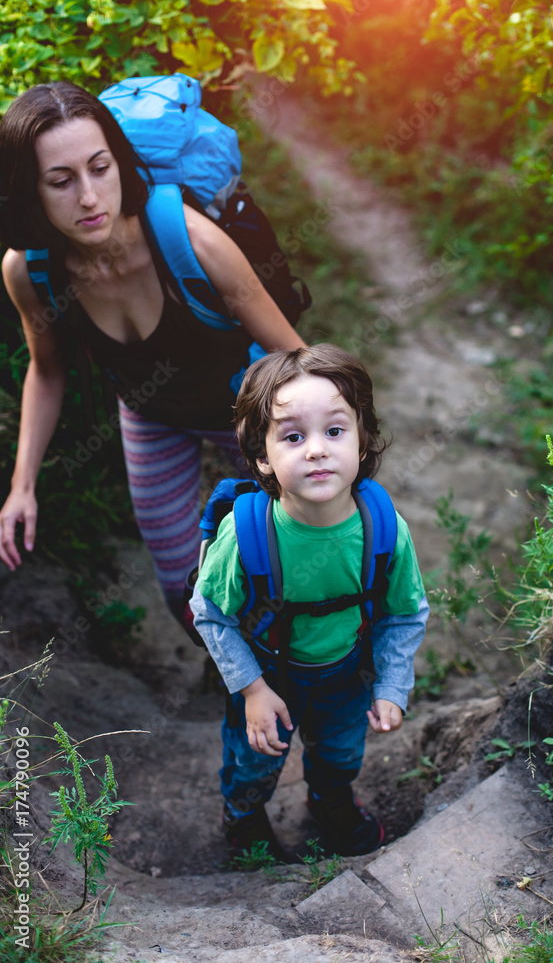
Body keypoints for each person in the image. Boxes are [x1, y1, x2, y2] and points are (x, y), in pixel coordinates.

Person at [0, 81, 305, 621]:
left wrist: (328, 448)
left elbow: (295, 355)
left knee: (298, 551)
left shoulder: (192, 239)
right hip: (151, 415)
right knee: (181, 583)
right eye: (61, 181)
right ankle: (228, 661)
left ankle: (317, 656)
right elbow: (47, 372)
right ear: (30, 191)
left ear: (119, 163)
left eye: (100, 168)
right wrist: (22, 485)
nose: (89, 197)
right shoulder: (29, 271)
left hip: (249, 404)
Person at [189, 344, 429, 861]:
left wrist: (392, 683)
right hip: (268, 672)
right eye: (293, 436)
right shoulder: (246, 537)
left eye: (335, 431)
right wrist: (252, 690)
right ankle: (244, 816)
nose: (317, 450)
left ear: (362, 442)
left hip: (348, 671)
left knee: (341, 752)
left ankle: (329, 799)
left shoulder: (384, 529)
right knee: (254, 761)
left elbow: (404, 612)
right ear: (262, 456)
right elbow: (210, 613)